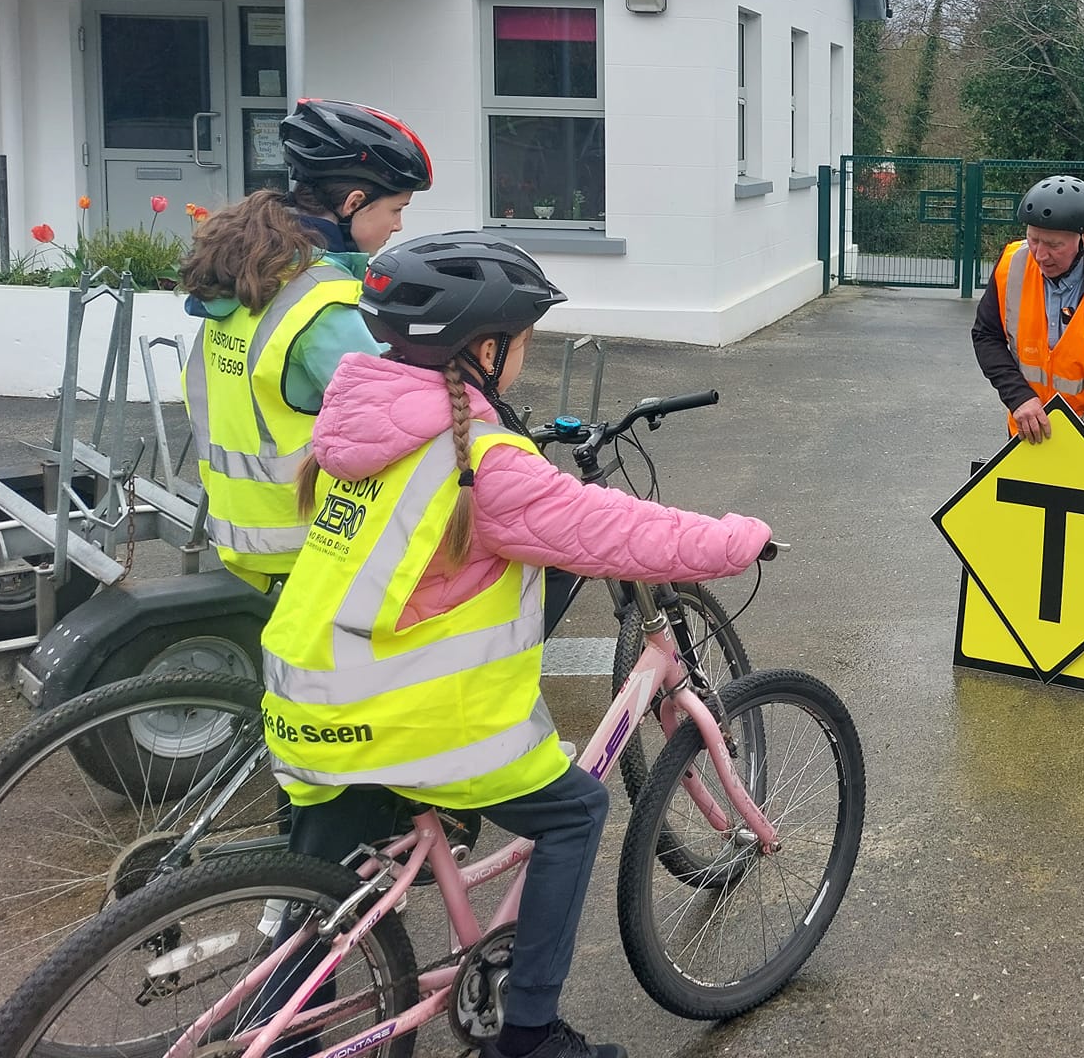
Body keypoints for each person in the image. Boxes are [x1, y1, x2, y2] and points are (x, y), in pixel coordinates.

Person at [260, 233, 771, 1058]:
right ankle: (528, 1032)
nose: (526, 357)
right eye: (524, 341)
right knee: (578, 810)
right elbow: (616, 529)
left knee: (332, 909)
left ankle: (270, 1026)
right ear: (486, 348)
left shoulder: (356, 432)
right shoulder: (480, 462)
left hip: (304, 700)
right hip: (406, 714)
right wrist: (740, 538)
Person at [179, 98, 432, 586]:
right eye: (396, 209)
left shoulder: (249, 276)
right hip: (310, 536)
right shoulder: (320, 300)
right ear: (354, 202)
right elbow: (391, 417)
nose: (398, 225)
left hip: (239, 530)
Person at [971, 174, 1084, 471]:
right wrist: (1019, 398)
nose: (1041, 255)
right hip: (1031, 430)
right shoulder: (1012, 265)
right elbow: (986, 335)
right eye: (1033, 239)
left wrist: (1078, 455)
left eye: (1054, 245)